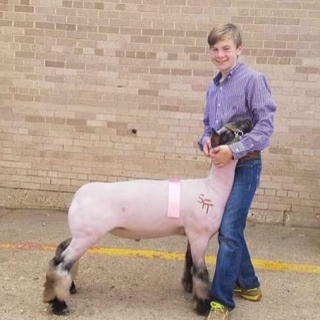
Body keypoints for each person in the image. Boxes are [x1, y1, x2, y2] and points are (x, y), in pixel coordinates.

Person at [197, 23, 276, 320]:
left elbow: (265, 127)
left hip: (245, 165)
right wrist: (206, 142)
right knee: (229, 227)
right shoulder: (213, 85)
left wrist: (235, 151)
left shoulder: (253, 80)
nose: (220, 54)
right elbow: (208, 126)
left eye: (226, 48)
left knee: (229, 230)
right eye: (215, 49)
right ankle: (250, 284)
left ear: (239, 49)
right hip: (220, 168)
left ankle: (221, 302)